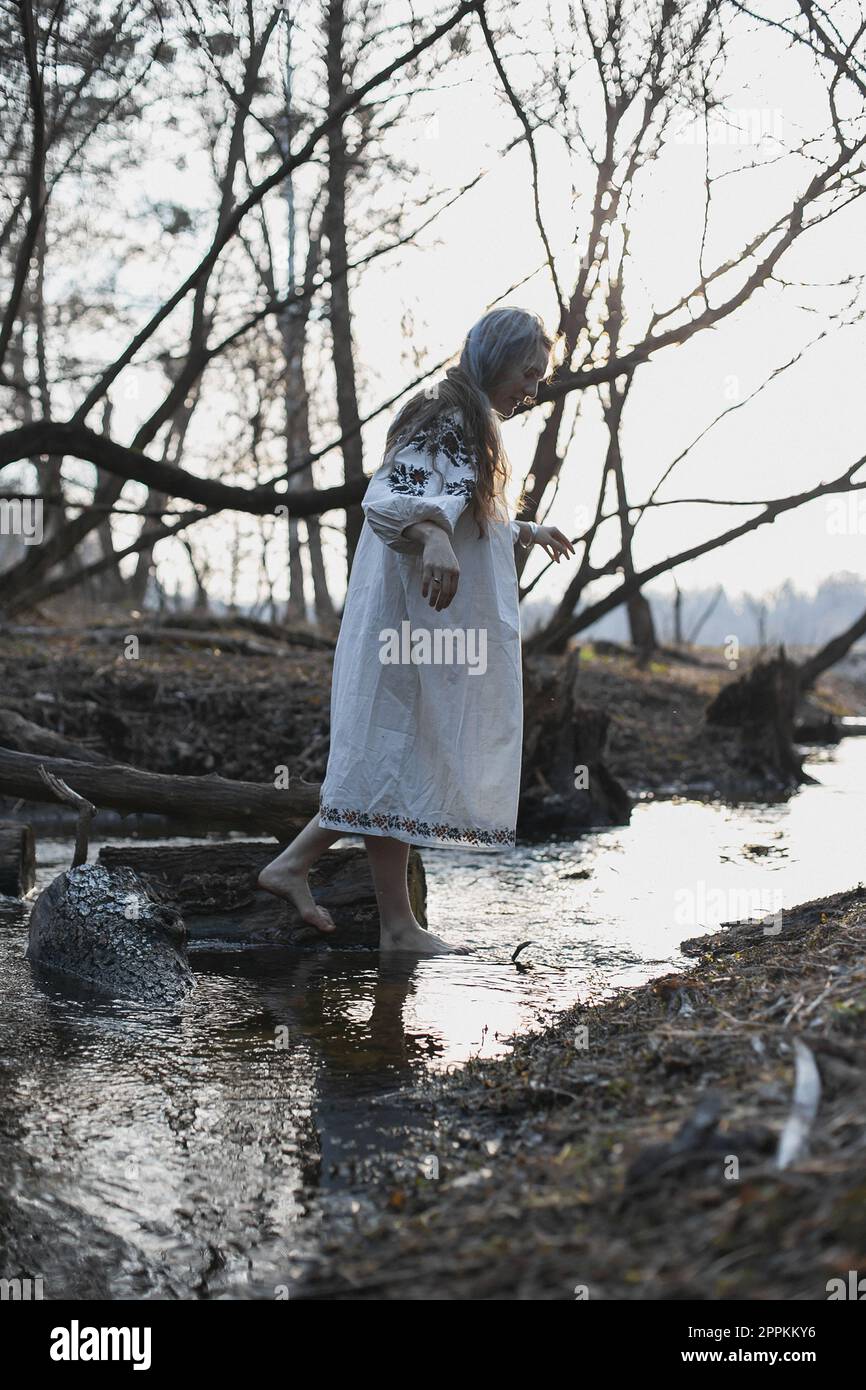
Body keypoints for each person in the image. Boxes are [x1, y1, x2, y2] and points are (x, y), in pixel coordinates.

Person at [259, 306, 574, 953]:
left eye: (541, 379)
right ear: (496, 359)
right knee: (390, 748)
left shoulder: (474, 423)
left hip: (423, 625)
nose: (534, 390)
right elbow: (389, 499)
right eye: (529, 373)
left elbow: (465, 513)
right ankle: (324, 884)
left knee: (399, 753)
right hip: (402, 620)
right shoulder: (443, 412)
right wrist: (432, 539)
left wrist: (525, 530)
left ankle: (385, 919)